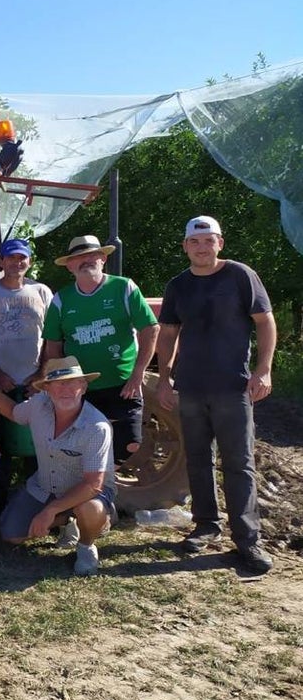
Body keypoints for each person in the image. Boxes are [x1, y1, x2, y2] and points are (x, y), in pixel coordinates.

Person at [156, 215, 276, 574]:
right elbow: (167, 333)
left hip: (232, 386)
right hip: (191, 386)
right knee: (196, 458)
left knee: (239, 463)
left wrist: (264, 369)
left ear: (219, 243)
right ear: (185, 247)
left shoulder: (240, 275)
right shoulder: (178, 285)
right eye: (195, 241)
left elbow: (265, 321)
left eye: (209, 240)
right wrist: (164, 378)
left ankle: (247, 540)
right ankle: (206, 524)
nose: (202, 247)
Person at [0, 357, 116, 576]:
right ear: (47, 388)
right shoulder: (38, 404)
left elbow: (93, 485)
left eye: (73, 382)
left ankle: (86, 544)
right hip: (45, 485)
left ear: (83, 387)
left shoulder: (97, 427)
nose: (65, 389)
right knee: (11, 535)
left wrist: (50, 510)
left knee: (90, 508)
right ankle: (68, 520)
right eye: (58, 383)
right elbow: (12, 412)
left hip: (86, 493)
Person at [42, 235, 159, 465]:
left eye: (91, 255)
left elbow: (150, 329)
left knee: (130, 442)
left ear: (103, 258)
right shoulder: (61, 300)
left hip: (124, 383)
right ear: (69, 265)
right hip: (83, 388)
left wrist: (138, 374)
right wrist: (61, 384)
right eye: (78, 258)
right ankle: (96, 489)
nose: (85, 261)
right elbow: (53, 346)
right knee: (86, 446)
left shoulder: (124, 288)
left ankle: (101, 485)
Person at [0, 237, 54, 503]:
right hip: (1, 384)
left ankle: (40, 502)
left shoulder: (41, 292)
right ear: (0, 262)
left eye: (22, 258)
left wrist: (41, 374)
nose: (17, 263)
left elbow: (52, 337)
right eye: (11, 258)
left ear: (29, 261)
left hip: (35, 383)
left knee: (39, 445)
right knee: (1, 443)